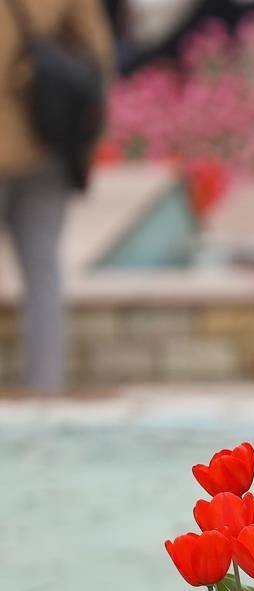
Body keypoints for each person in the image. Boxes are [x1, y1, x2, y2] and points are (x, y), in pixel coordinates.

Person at [0, 0, 114, 393]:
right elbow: (98, 53)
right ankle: (45, 389)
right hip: (47, 141)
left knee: (44, 270)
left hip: (17, 139)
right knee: (44, 272)